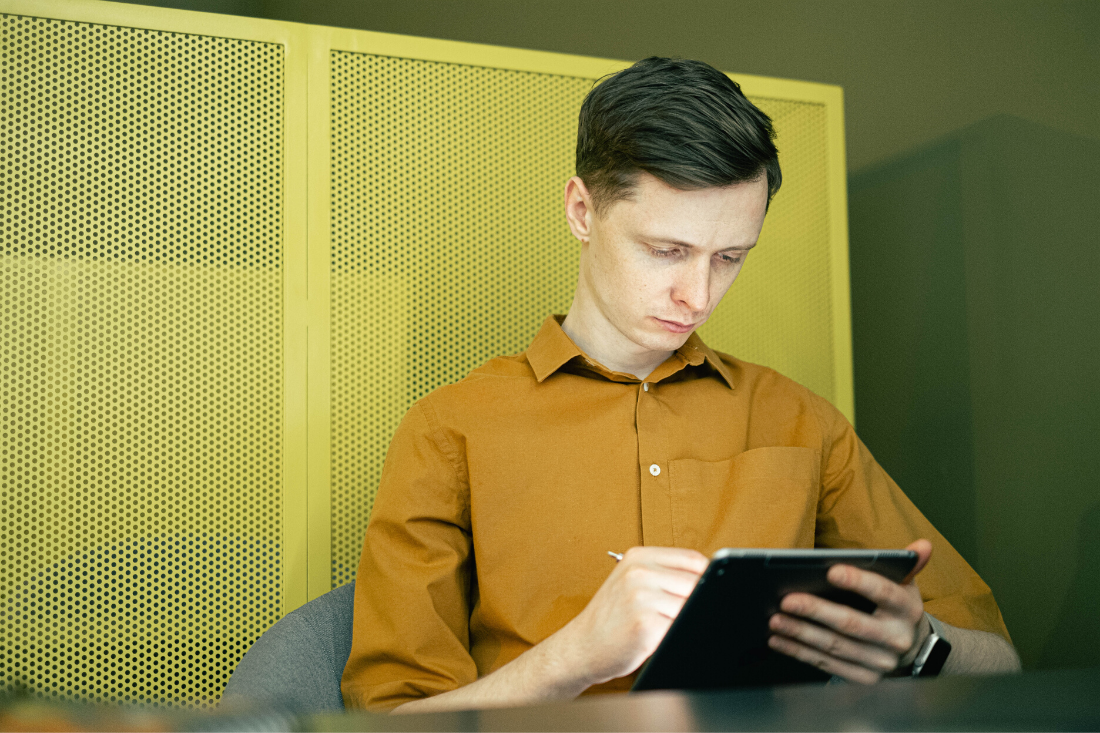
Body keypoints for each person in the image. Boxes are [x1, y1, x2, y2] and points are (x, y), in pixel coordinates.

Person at [341, 56, 1020, 713]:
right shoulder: (449, 428)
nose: (697, 295)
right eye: (666, 250)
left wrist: (919, 645)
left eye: (729, 258)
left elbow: (1001, 661)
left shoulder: (799, 419)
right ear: (582, 210)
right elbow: (390, 720)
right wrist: (573, 656)